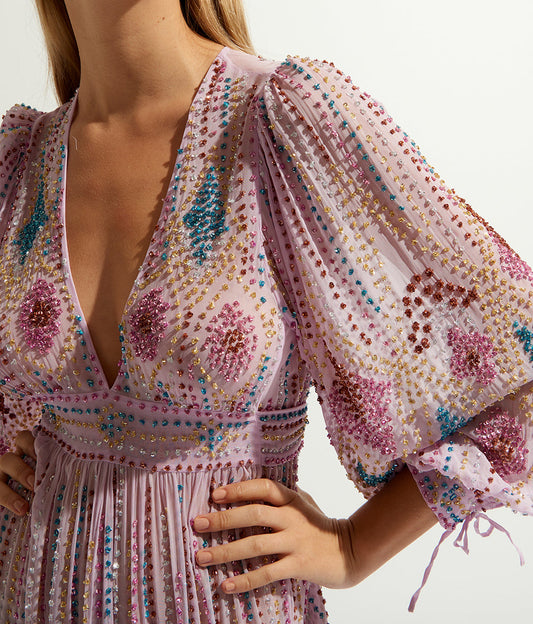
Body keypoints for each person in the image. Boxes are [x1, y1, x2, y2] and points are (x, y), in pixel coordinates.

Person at [0, 0, 532, 622]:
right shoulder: (19, 162)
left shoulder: (279, 121)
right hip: (34, 595)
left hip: (232, 604)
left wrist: (353, 548)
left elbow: (518, 362)